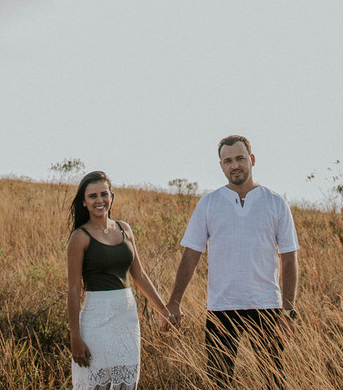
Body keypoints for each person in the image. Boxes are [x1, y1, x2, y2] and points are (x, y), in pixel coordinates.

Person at [166, 135, 300, 389]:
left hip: (267, 307)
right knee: (219, 381)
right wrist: (175, 300)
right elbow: (191, 254)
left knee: (274, 381)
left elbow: (289, 256)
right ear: (221, 166)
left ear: (251, 159)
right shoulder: (209, 204)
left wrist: (289, 311)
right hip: (221, 309)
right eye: (228, 161)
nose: (234, 165)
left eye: (240, 158)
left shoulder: (275, 203)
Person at [67, 170, 172, 390]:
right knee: (98, 385)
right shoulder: (80, 237)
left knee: (128, 384)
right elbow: (74, 290)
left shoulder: (125, 229)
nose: (99, 200)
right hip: (96, 322)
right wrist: (75, 338)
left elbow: (140, 275)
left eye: (104, 194)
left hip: (126, 320)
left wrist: (163, 310)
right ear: (84, 202)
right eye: (92, 196)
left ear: (111, 197)